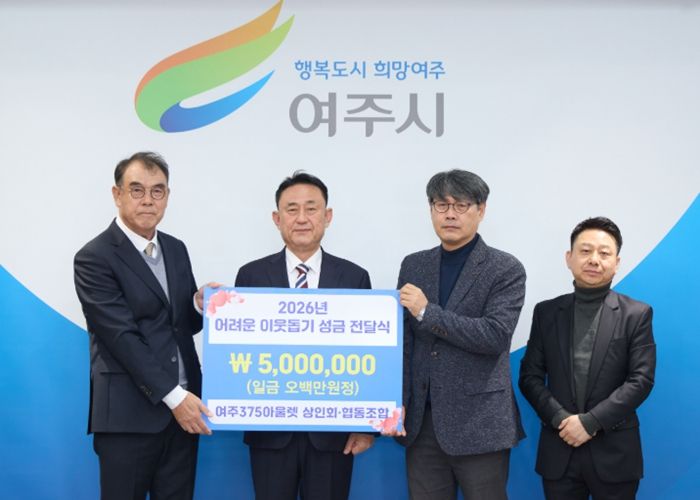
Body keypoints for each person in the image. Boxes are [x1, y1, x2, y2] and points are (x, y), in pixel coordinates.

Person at [74, 152, 215, 500]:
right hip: (129, 419)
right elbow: (122, 338)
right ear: (117, 194)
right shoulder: (94, 257)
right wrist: (176, 397)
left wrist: (199, 305)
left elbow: (180, 326)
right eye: (137, 190)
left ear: (167, 196)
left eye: (157, 190)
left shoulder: (176, 249)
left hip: (183, 418)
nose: (148, 200)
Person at [234, 171, 374, 500]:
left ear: (327, 216)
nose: (301, 218)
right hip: (269, 434)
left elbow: (368, 355)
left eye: (311, 209)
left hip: (333, 435)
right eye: (291, 209)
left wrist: (366, 426)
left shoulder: (354, 278)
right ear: (277, 218)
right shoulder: (251, 276)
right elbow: (238, 350)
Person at [395, 169, 526, 500]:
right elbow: (404, 344)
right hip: (422, 424)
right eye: (441, 205)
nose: (450, 214)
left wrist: (427, 312)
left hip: (479, 425)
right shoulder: (413, 265)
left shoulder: (505, 268)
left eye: (461, 205)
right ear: (431, 209)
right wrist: (397, 401)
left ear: (481, 210)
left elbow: (495, 335)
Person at [519, 217, 656, 500]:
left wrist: (590, 422)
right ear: (569, 258)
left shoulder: (636, 314)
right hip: (560, 449)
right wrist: (561, 419)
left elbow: (641, 380)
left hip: (615, 454)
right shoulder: (546, 313)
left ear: (616, 263)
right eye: (585, 251)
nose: (594, 259)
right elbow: (530, 377)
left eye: (604, 253)